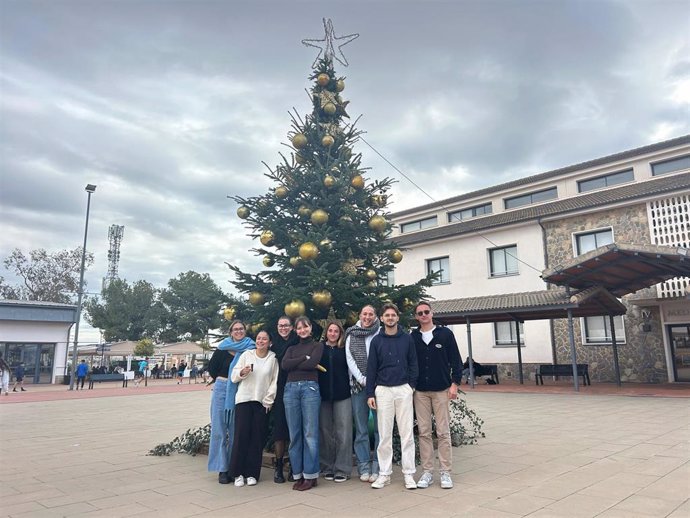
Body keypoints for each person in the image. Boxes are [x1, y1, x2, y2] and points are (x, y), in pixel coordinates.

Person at [366, 303, 418, 490]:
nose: (390, 318)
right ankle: (385, 474)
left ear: (398, 318)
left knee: (407, 434)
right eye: (386, 315)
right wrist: (370, 393)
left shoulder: (407, 339)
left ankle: (409, 474)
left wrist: (411, 386)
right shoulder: (376, 341)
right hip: (383, 391)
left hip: (403, 389)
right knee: (385, 435)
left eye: (393, 315)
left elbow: (413, 363)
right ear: (381, 318)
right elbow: (371, 368)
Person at [411, 301, 462, 490]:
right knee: (424, 432)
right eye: (419, 313)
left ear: (432, 314)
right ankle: (427, 472)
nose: (423, 315)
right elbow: (411, 363)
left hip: (441, 390)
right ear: (416, 317)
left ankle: (446, 472)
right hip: (420, 392)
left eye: (426, 312)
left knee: (443, 432)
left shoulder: (445, 334)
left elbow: (456, 361)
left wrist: (455, 384)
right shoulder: (413, 337)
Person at [207, 320, 255, 484]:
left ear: (245, 331)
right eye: (235, 329)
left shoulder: (251, 348)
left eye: (241, 329)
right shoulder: (222, 348)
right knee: (219, 429)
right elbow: (212, 368)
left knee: (236, 431)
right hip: (222, 388)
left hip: (241, 389)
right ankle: (222, 468)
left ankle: (234, 467)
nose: (239, 331)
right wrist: (225, 383)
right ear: (230, 332)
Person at [229, 330, 279, 487]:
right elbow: (234, 376)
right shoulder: (246, 355)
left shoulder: (273, 359)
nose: (261, 341)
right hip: (244, 400)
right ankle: (238, 473)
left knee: (257, 439)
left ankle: (252, 473)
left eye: (264, 339)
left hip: (261, 403)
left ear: (269, 342)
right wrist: (243, 372)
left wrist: (268, 401)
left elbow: (274, 382)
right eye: (258, 338)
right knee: (241, 437)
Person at [281, 316, 324, 491]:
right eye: (299, 328)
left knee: (310, 434)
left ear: (310, 328)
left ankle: (311, 475)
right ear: (295, 330)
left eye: (305, 327)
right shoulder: (291, 348)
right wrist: (302, 359)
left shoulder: (317, 346)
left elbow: (312, 363)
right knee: (295, 434)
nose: (302, 330)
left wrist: (299, 363)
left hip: (310, 389)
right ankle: (298, 473)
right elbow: (285, 365)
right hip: (290, 390)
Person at [345, 304, 381, 482]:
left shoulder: (380, 332)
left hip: (380, 387)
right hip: (359, 387)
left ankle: (378, 467)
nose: (367, 317)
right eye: (364, 313)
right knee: (361, 429)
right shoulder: (352, 334)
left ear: (375, 316)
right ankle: (364, 467)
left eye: (371, 314)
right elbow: (349, 359)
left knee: (380, 429)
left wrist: (374, 382)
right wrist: (364, 381)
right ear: (360, 315)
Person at [318, 320, 352, 483]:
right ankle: (326, 466)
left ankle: (342, 468)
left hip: (343, 394)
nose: (333, 333)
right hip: (323, 396)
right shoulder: (320, 349)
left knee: (343, 432)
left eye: (336, 331)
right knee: (325, 431)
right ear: (327, 332)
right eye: (330, 331)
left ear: (340, 334)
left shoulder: (344, 350)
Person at [270, 316, 299, 483]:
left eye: (286, 325)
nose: (283, 328)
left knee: (294, 428)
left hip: (295, 385)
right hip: (279, 389)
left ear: (292, 327)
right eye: (281, 326)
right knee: (280, 429)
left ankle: (294, 465)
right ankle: (279, 466)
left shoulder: (297, 341)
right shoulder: (273, 344)